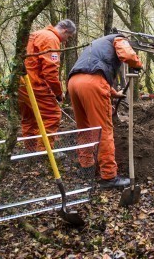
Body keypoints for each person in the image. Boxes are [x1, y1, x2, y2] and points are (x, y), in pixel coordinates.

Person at [68, 33, 143, 189]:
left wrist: (114, 93)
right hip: (92, 83)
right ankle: (109, 176)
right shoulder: (119, 39)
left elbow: (91, 70)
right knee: (103, 130)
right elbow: (127, 55)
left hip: (74, 83)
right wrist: (137, 65)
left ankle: (86, 166)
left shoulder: (96, 44)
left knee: (85, 128)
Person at [18, 19, 76, 153]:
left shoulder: (37, 34)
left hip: (21, 83)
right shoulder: (51, 39)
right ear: (65, 30)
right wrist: (58, 93)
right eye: (68, 37)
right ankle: (44, 153)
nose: (66, 41)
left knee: (29, 118)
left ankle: (31, 151)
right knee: (52, 115)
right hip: (34, 84)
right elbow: (50, 71)